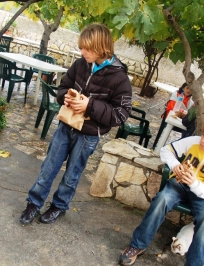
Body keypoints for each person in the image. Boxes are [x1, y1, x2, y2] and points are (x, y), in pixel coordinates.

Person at [19, 23, 132, 225]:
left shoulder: (120, 78)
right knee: (49, 168)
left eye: (87, 49)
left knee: (72, 175)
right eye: (81, 48)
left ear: (102, 48)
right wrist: (66, 99)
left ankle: (58, 206)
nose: (83, 52)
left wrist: (89, 105)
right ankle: (34, 203)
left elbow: (121, 114)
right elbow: (62, 87)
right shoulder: (81, 64)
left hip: (88, 135)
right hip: (66, 126)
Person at [119, 117, 204, 266]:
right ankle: (137, 245)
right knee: (162, 199)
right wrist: (174, 165)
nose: (203, 140)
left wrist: (195, 184)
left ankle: (195, 264)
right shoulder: (194, 141)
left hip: (203, 194)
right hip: (179, 185)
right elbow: (166, 150)